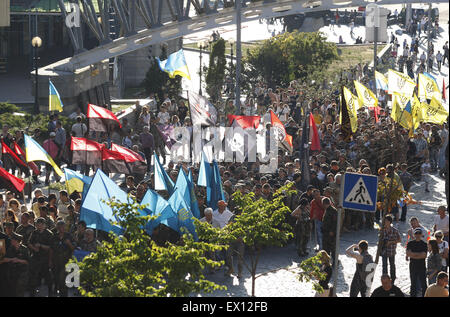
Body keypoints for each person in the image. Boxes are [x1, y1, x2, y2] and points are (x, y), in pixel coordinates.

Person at [28, 217, 54, 296]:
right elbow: (29, 243)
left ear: (44, 225)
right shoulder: (34, 232)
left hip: (45, 258)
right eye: (37, 224)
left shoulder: (49, 234)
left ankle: (50, 292)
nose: (38, 226)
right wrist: (33, 248)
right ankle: (32, 292)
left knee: (47, 276)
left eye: (40, 224)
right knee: (33, 276)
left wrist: (41, 246)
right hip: (35, 257)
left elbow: (51, 247)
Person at [0, 232, 30, 297]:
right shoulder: (10, 249)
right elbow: (3, 259)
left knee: (20, 290)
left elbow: (28, 261)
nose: (11, 241)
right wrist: (11, 259)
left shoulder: (24, 249)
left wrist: (19, 260)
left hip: (22, 273)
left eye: (12, 240)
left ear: (16, 240)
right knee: (13, 290)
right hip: (12, 273)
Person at [51, 220, 74, 296]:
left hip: (65, 261)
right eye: (59, 227)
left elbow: (74, 248)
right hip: (56, 261)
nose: (61, 228)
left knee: (63, 280)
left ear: (65, 227)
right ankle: (56, 290)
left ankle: (63, 294)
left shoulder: (69, 236)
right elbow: (51, 250)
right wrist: (50, 261)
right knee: (56, 277)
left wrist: (69, 243)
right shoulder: (54, 236)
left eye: (62, 226)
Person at [406, 228, 428, 297]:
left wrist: (413, 255)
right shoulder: (410, 243)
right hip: (413, 266)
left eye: (419, 233)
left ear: (421, 234)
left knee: (423, 283)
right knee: (413, 283)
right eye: (416, 233)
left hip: (421, 266)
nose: (418, 235)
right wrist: (419, 254)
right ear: (414, 234)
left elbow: (424, 255)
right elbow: (408, 254)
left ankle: (425, 295)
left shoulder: (424, 244)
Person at [380, 215, 401, 284]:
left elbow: (399, 240)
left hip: (391, 251)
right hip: (384, 251)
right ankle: (385, 279)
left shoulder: (394, 230)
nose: (385, 222)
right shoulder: (382, 230)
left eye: (386, 221)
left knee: (392, 265)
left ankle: (393, 278)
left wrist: (391, 242)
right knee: (384, 266)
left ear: (389, 222)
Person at [321, 197, 338, 262]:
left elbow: (335, 222)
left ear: (325, 204)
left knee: (332, 248)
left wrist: (332, 231)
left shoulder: (333, 211)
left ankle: (335, 261)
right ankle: (326, 261)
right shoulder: (327, 210)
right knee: (325, 249)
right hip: (326, 232)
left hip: (330, 233)